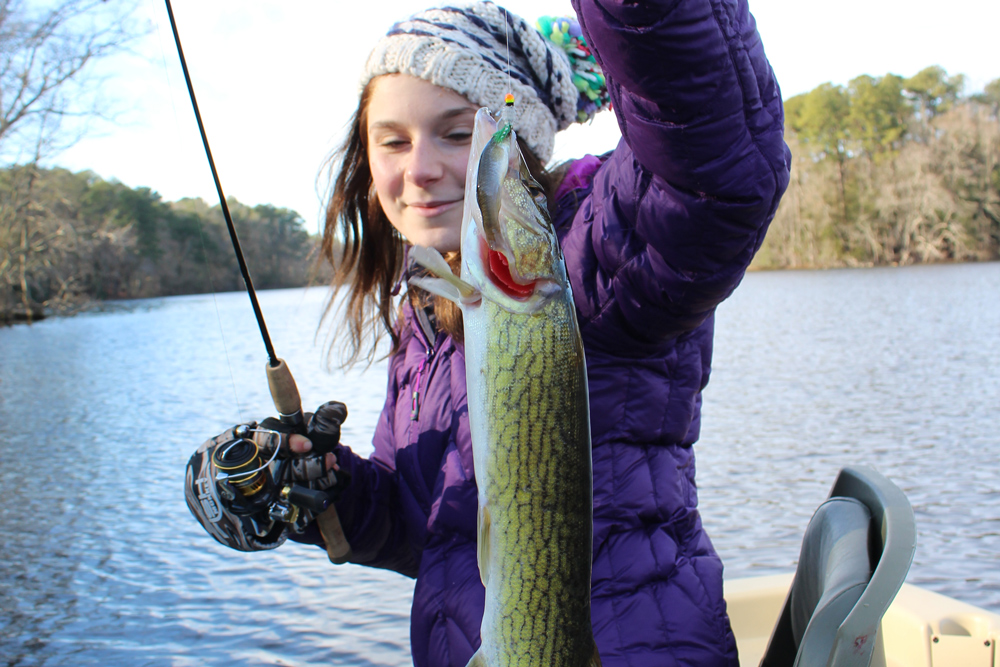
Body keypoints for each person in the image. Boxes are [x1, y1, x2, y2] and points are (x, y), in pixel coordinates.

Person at [185, 0, 790, 665]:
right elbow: (429, 524)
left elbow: (716, 165)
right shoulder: (426, 315)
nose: (419, 168)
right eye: (392, 139)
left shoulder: (597, 258)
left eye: (456, 133)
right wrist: (329, 491)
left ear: (517, 148)